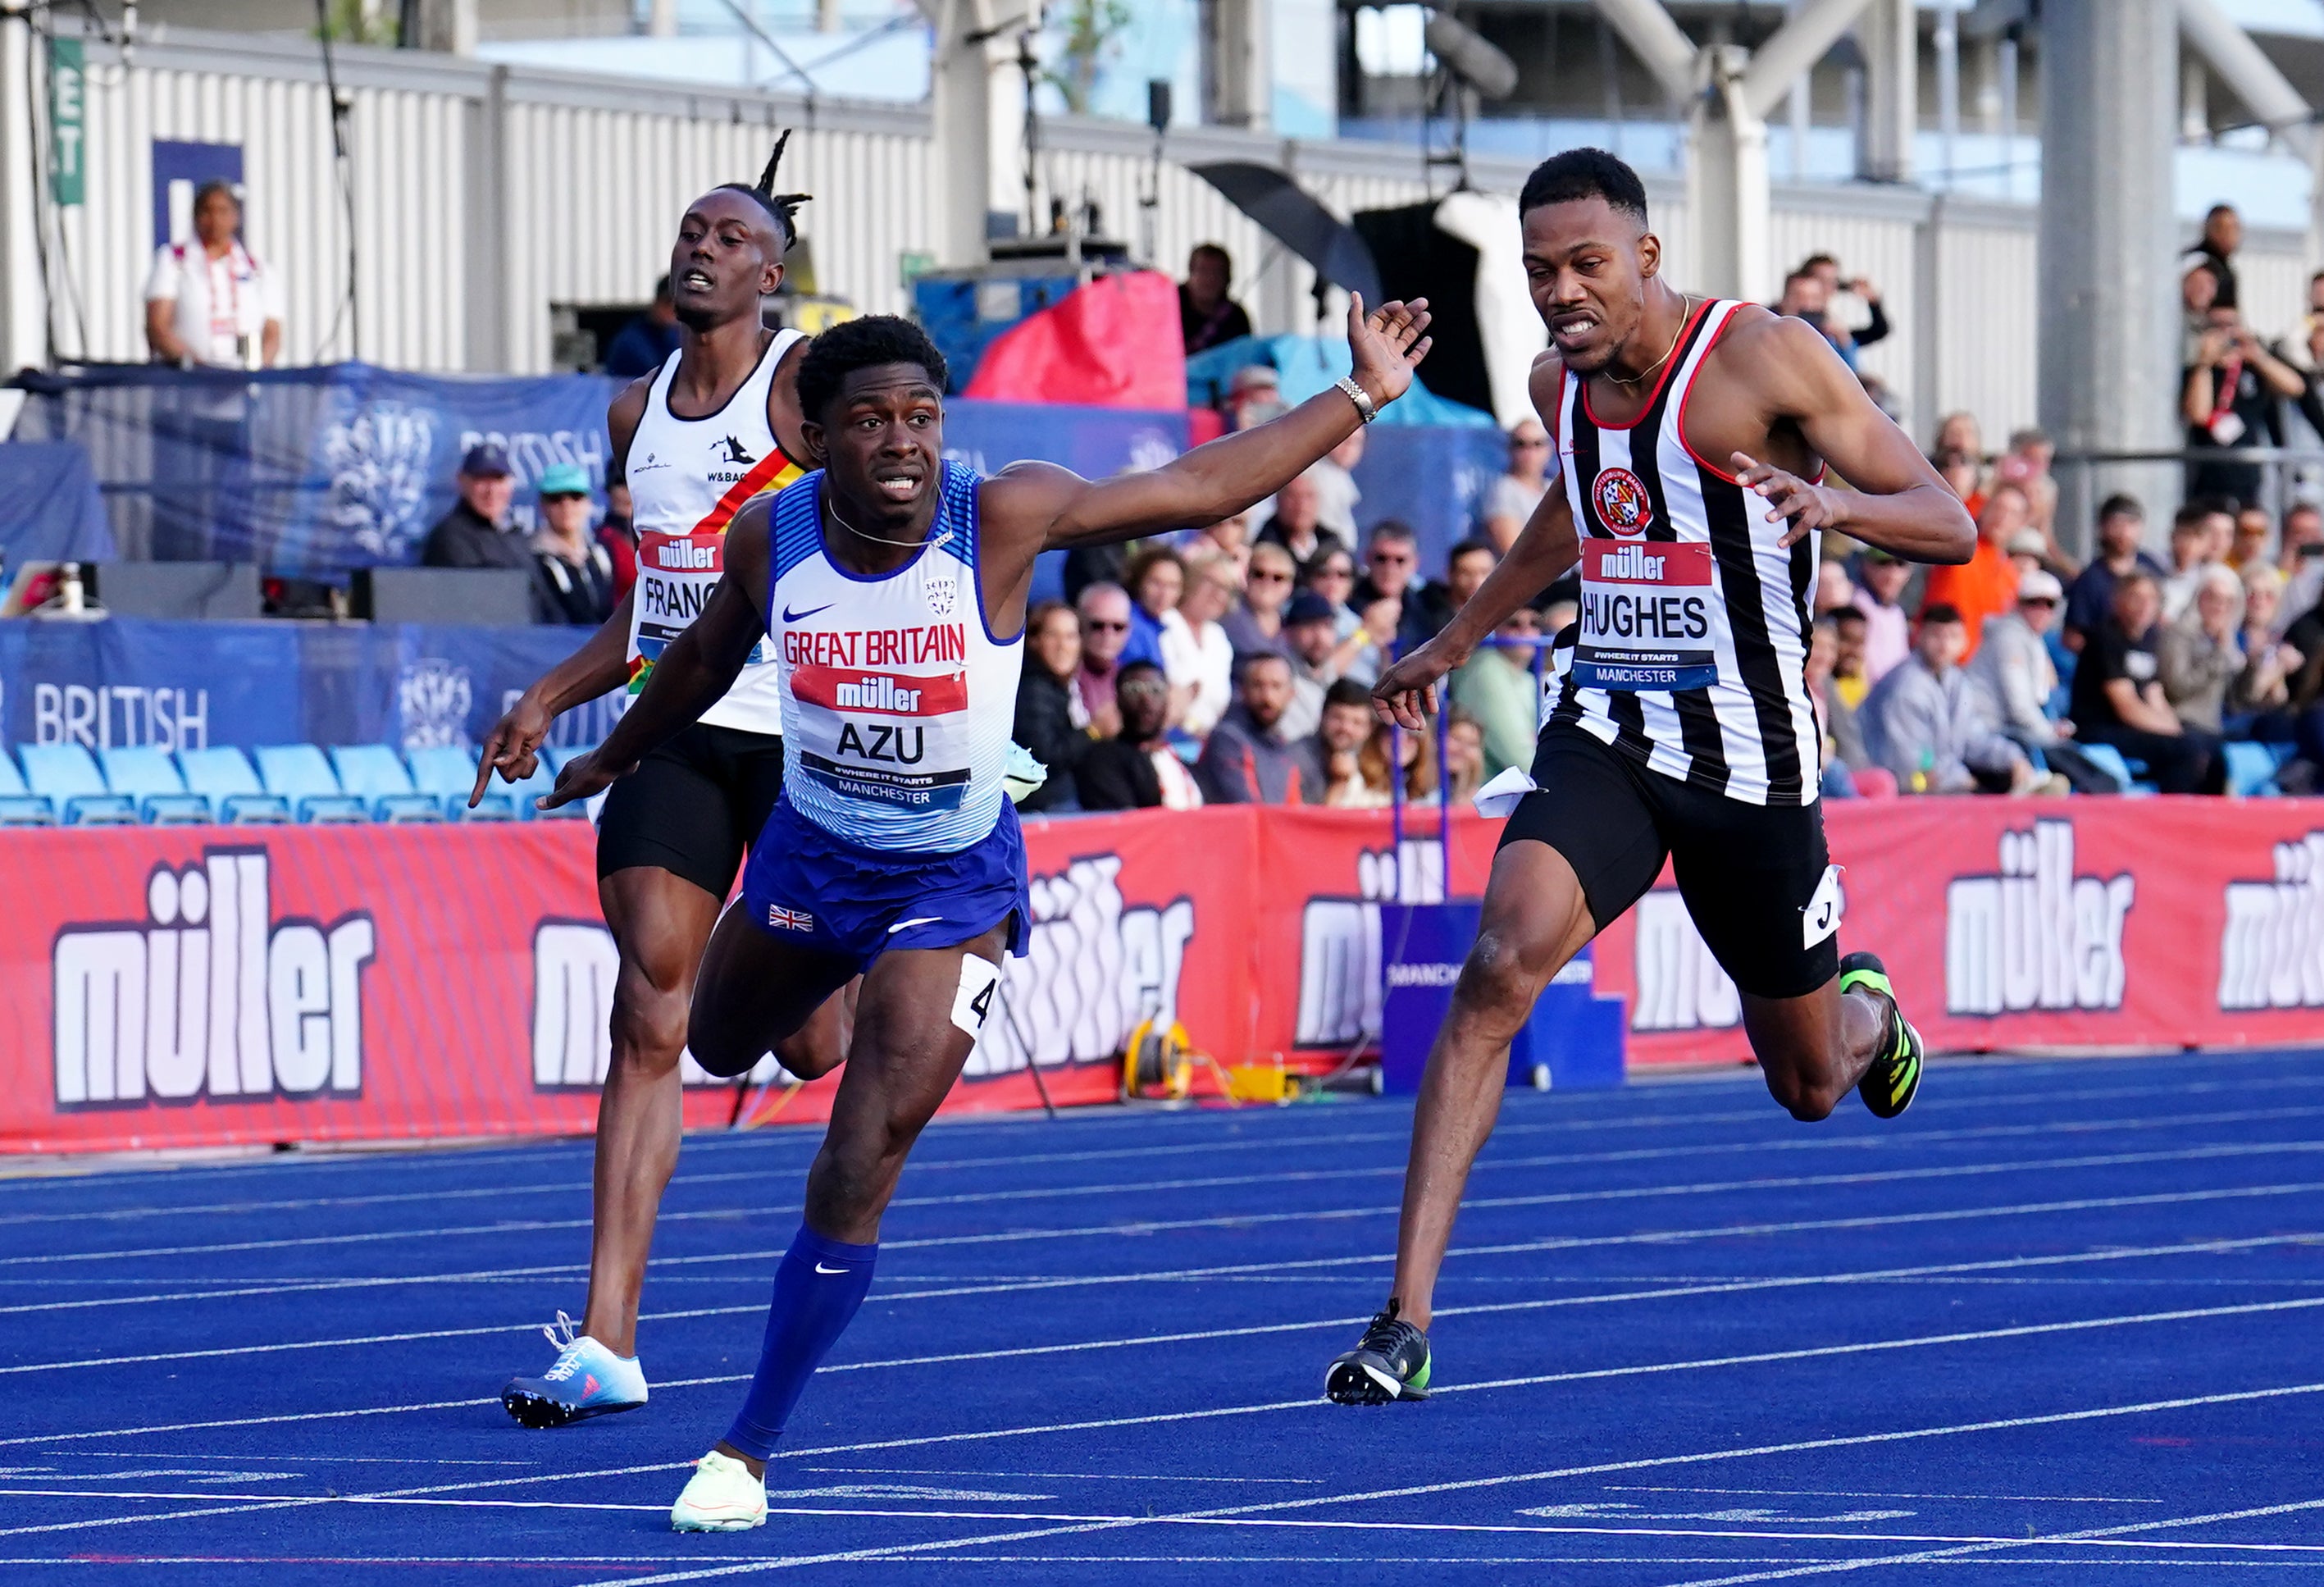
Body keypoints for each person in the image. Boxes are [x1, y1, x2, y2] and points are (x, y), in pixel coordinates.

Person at [537, 294, 1430, 1528]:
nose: (905, 442)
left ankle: (744, 1448)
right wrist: (612, 753)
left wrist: (1360, 396)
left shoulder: (996, 515)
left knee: (855, 1162)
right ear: (814, 434)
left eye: (922, 416)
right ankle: (841, 997)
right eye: (872, 421)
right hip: (808, 860)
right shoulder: (769, 538)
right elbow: (695, 658)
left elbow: (1194, 487)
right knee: (715, 1040)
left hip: (951, 885)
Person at [1333, 148, 1974, 1407]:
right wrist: (1458, 639)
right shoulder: (1552, 383)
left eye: (1582, 265)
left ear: (1644, 257)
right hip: (1609, 729)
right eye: (1536, 272)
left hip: (1753, 760)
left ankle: (1868, 1011)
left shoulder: (1762, 358)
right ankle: (1403, 1318)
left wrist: (1829, 502)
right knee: (1497, 963)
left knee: (1803, 1084)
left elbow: (1946, 516)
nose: (1559, 293)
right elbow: (1575, 515)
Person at [471, 136, 846, 1427]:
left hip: (804, 742)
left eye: (730, 235)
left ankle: (839, 966)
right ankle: (609, 1339)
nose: (701, 245)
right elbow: (650, 616)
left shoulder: (802, 389)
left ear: (773, 274)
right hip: (676, 728)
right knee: (650, 1008)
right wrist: (547, 698)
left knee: (804, 1041)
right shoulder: (631, 413)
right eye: (691, 228)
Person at [2069, 571, 2222, 794]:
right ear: (2118, 601)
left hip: (2135, 729)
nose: (2145, 605)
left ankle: (2216, 818)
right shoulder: (2105, 638)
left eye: (2151, 599)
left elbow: (2155, 696)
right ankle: (2175, 817)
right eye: (2136, 597)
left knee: (2211, 744)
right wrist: (2176, 734)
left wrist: (2176, 728)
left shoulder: (2147, 642)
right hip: (2100, 729)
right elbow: (2127, 707)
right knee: (2185, 749)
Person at [1967, 571, 2118, 793]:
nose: (2042, 611)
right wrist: (2048, 733)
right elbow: (2018, 708)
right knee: (2073, 763)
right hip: (1992, 730)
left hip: (2012, 729)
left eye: (2049, 604)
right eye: (2033, 603)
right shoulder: (2009, 638)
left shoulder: (2031, 639)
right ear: (2018, 604)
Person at [1861, 604, 2037, 794]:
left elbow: (1974, 737)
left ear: (1964, 642)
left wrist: (2012, 758)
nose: (1944, 645)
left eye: (1952, 636)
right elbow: (1914, 760)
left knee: (2011, 775)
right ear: (1919, 636)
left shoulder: (1956, 680)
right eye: (1936, 635)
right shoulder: (1906, 686)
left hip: (1945, 778)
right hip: (1901, 787)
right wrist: (1965, 781)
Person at [144, 180, 284, 369]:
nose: (215, 219)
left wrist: (256, 371)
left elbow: (272, 334)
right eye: (208, 211)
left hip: (243, 385)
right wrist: (196, 369)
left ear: (236, 217)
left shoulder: (257, 270)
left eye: (223, 211)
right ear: (196, 216)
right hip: (188, 383)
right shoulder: (173, 261)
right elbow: (158, 326)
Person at [2184, 306, 2302, 507]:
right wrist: (2204, 362)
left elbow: (2295, 387)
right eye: (2216, 326)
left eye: (2231, 325)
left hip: (2248, 474)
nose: (2225, 333)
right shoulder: (2199, 372)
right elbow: (2198, 414)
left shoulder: (2253, 370)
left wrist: (2257, 356)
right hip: (2207, 476)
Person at [1196, 651, 1326, 805]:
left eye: (1276, 686)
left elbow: (1293, 808)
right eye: (1258, 686)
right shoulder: (1228, 740)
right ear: (1243, 691)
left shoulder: (1284, 748)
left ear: (1291, 694)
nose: (1267, 697)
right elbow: (1247, 809)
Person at [1075, 661, 1204, 810]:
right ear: (1117, 699)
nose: (1146, 700)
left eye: (1155, 690)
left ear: (1168, 699)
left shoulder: (1177, 760)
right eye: (1133, 690)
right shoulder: (1102, 760)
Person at [1919, 481, 2027, 658]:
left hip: (1979, 671)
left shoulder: (2011, 575)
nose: (2002, 517)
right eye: (1997, 507)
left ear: (2022, 523)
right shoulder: (1962, 547)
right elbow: (1954, 508)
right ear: (1984, 509)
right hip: (1936, 657)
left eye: (2012, 513)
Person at [1010, 600, 1090, 814]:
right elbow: (1045, 757)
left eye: (1070, 636)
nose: (1062, 645)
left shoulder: (1064, 686)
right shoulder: (1033, 689)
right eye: (1052, 635)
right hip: (1044, 808)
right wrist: (1094, 732)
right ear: (1034, 641)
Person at [1448, 604, 1543, 777]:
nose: (1525, 630)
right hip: (1482, 795)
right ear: (1496, 627)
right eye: (1514, 623)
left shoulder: (1528, 677)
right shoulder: (1486, 669)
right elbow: (1519, 756)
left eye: (1535, 623)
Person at [2063, 495, 2165, 654]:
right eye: (2116, 524)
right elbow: (2072, 637)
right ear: (2102, 528)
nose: (2124, 532)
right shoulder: (2090, 580)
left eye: (2131, 524)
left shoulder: (2152, 567)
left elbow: (2162, 620)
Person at [2159, 563, 2247, 736]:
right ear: (2199, 597)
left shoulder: (2230, 640)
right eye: (2213, 598)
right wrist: (2218, 654)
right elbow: (2177, 687)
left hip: (2216, 726)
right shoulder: (2179, 634)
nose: (2219, 607)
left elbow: (2238, 700)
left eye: (2228, 601)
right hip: (2184, 722)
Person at [531, 462, 619, 625]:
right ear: (543, 506)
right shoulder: (532, 558)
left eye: (576, 496)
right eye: (556, 499)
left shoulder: (602, 552)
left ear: (588, 503)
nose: (567, 506)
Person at [1164, 551, 1240, 737]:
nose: (1218, 595)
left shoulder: (1218, 638)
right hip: (1169, 734)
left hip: (1205, 741)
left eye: (1226, 589)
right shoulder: (1167, 622)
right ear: (1190, 582)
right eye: (1211, 583)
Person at [422, 444, 530, 570]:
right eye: (482, 480)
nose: (492, 491)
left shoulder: (514, 535)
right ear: (462, 481)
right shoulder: (450, 538)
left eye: (498, 479)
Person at [1352, 521, 1451, 655]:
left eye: (1400, 560)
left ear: (1415, 564)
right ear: (1368, 558)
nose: (1390, 569)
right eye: (1381, 558)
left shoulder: (1429, 609)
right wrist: (1365, 632)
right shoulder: (1347, 601)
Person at [1073, 581, 1142, 732]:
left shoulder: (1129, 680)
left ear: (1128, 630)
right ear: (1080, 624)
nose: (1108, 635)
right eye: (1098, 625)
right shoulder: (1064, 676)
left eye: (1118, 627)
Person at [1255, 469, 1348, 577]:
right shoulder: (1263, 547)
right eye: (1292, 496)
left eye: (1308, 496)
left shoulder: (1333, 545)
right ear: (1277, 500)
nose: (1301, 505)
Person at [1481, 419, 1554, 553]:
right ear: (1510, 449)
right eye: (1520, 444)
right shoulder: (1503, 491)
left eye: (1537, 444)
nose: (1529, 452)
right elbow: (1514, 551)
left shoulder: (1551, 488)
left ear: (1548, 450)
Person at [1280, 589, 1344, 740]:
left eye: (1327, 627)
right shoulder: (1280, 677)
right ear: (1288, 632)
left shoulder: (1328, 675)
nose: (1320, 637)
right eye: (1309, 626)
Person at [1223, 540, 1297, 663]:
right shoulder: (1226, 613)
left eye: (1278, 578)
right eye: (1259, 574)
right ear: (1247, 576)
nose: (1267, 582)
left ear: (1290, 585)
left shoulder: (1293, 625)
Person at [2162, 500, 2232, 624]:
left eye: (2197, 536)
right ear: (2172, 536)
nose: (2189, 543)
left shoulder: (2214, 578)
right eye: (2185, 535)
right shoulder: (2153, 569)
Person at [1123, 545, 1186, 682]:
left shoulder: (1159, 626)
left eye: (1173, 586)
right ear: (1139, 582)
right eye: (1156, 583)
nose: (1164, 594)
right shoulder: (1129, 624)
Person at [1180, 242, 1254, 355]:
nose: (1209, 279)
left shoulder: (1235, 317)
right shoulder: (1170, 307)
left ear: (1227, 279)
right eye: (1203, 271)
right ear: (1191, 273)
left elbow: (1244, 355)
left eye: (1217, 273)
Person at [1851, 546, 1911, 684]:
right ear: (1865, 565)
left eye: (1900, 564)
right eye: (1883, 564)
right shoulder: (1857, 605)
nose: (1892, 574)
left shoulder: (1897, 613)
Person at [1312, 677, 1377, 805]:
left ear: (1369, 728)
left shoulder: (1377, 763)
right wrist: (1339, 784)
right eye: (1338, 717)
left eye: (1357, 722)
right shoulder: (1296, 761)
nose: (1346, 728)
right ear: (1323, 716)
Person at [605, 276, 685, 379]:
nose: (672, 310)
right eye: (667, 302)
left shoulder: (676, 335)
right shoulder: (631, 341)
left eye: (678, 305)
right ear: (657, 302)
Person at [2185, 203, 2243, 310]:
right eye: (2222, 228)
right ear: (2208, 229)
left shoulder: (2226, 270)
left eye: (2235, 229)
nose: (2230, 235)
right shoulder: (2198, 264)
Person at [1442, 709, 1488, 805]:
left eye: (1472, 744)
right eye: (1456, 738)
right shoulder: (1413, 792)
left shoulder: (1480, 800)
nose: (1463, 750)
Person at [1445, 539, 1497, 614]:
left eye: (1484, 572)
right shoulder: (1426, 614)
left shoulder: (1508, 613)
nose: (1477, 581)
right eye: (1467, 574)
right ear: (1450, 574)